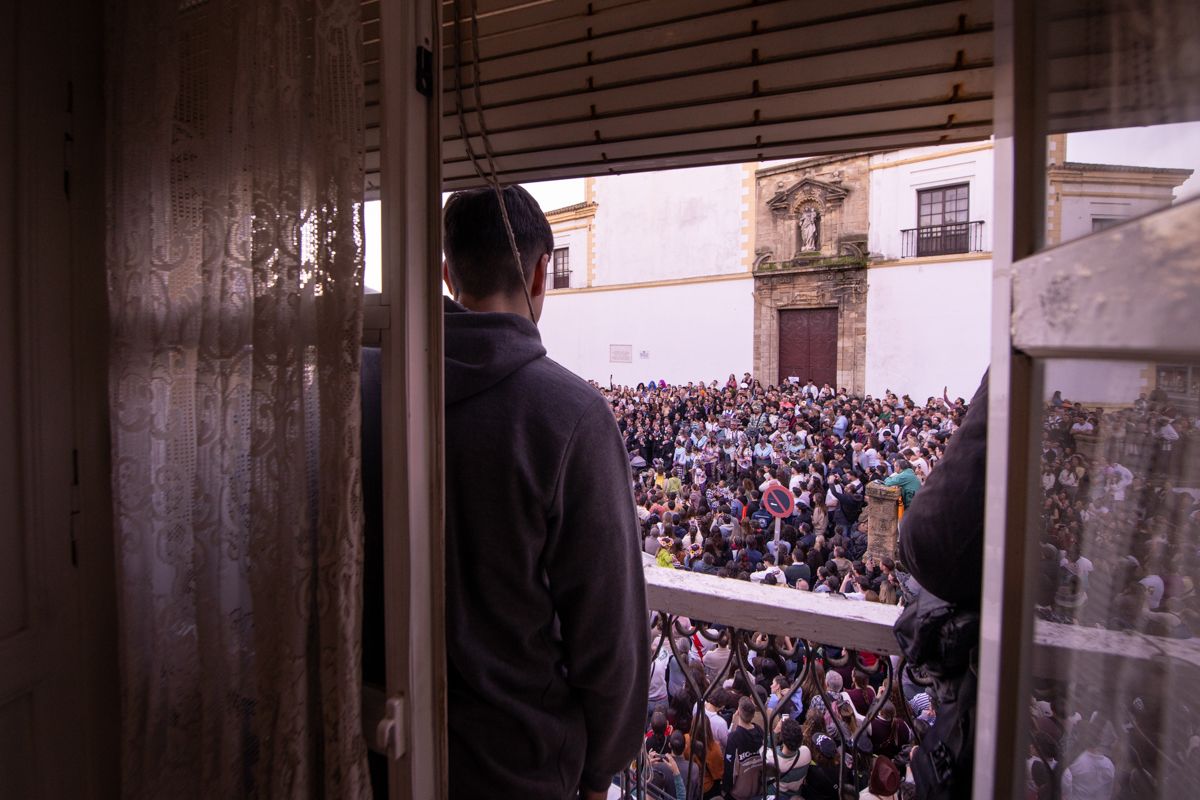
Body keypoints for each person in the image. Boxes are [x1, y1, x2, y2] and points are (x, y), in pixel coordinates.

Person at [442, 185, 648, 798]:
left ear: (448, 275)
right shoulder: (572, 414)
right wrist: (598, 770)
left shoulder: (376, 383)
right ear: (540, 276)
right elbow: (609, 636)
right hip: (523, 768)